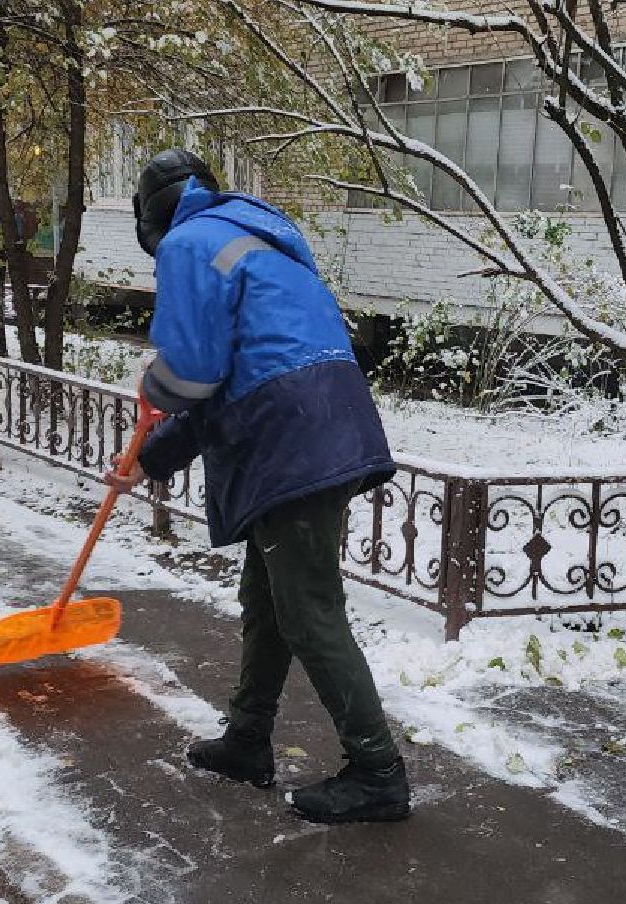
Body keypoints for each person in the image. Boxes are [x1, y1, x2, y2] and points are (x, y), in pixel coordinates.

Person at [103, 149, 410, 824]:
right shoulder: (254, 235)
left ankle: (378, 772)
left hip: (288, 428)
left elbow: (191, 372)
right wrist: (149, 460)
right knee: (269, 596)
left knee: (308, 609)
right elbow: (219, 386)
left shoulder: (188, 242)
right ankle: (248, 740)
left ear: (150, 220)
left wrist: (157, 390)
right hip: (322, 414)